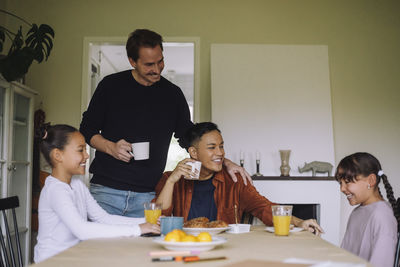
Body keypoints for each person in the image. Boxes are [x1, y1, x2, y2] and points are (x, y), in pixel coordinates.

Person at [79, 29, 251, 218]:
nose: (157, 68)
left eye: (160, 61)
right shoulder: (110, 86)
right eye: (149, 64)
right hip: (106, 191)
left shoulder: (173, 94)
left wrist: (224, 161)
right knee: (101, 247)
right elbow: (87, 128)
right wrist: (111, 147)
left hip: (149, 195)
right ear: (132, 61)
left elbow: (190, 138)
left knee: (143, 247)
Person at [155, 122, 323, 234]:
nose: (220, 153)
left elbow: (264, 207)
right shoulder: (171, 179)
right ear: (193, 152)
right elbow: (157, 219)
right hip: (184, 247)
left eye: (221, 146)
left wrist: (300, 222)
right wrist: (171, 181)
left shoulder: (234, 181)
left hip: (226, 248)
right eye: (212, 147)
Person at [34, 124, 160, 263]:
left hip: (72, 258)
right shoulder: (55, 190)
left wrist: (147, 221)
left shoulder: (76, 185)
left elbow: (103, 218)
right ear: (58, 155)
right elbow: (82, 229)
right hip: (52, 262)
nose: (87, 155)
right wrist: (138, 229)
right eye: (80, 150)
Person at [335, 152, 399, 267]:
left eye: (347, 182)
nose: (342, 188)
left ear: (371, 181)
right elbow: (344, 255)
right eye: (340, 183)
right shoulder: (357, 213)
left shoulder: (382, 217)